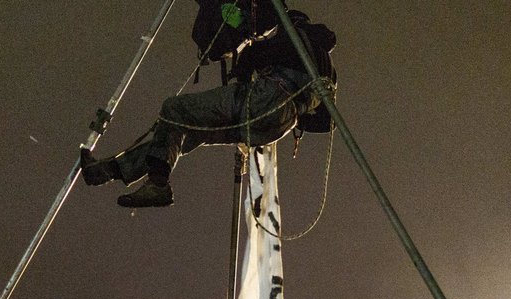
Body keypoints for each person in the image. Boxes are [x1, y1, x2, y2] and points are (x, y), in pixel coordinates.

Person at [80, 2, 336, 208]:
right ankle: (111, 170)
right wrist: (294, 114)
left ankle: (157, 184)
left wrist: (243, 78)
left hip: (262, 99)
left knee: (176, 109)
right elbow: (327, 121)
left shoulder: (295, 35)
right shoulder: (327, 68)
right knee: (188, 130)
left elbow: (253, 55)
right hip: (278, 124)